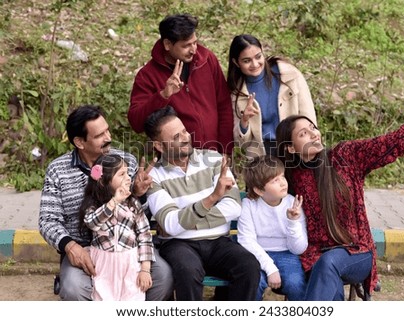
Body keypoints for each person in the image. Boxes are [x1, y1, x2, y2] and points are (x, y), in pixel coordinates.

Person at [275, 88, 404, 300]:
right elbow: (264, 193)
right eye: (303, 134)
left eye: (313, 128)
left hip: (356, 252)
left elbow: (389, 142)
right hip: (315, 256)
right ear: (291, 148)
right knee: (327, 277)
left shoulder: (345, 156)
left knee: (328, 264)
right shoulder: (289, 178)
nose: (313, 134)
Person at [38, 105, 173, 301]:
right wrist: (69, 246)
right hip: (84, 249)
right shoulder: (58, 170)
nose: (108, 137)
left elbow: (141, 216)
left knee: (163, 277)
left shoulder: (126, 161)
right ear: (79, 142)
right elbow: (47, 220)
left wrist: (139, 194)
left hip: (129, 250)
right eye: (100, 135)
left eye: (107, 130)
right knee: (73, 288)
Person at [143, 105, 260, 301]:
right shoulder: (153, 177)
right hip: (179, 245)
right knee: (188, 271)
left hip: (219, 242)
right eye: (176, 137)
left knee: (248, 266)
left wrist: (184, 222)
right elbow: (171, 226)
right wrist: (212, 198)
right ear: (160, 146)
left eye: (184, 131)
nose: (185, 137)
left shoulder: (213, 159)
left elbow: (233, 207)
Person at [128, 13, 233, 155]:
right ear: (167, 44)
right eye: (186, 45)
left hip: (214, 156)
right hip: (177, 163)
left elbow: (224, 105)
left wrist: (226, 151)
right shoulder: (147, 76)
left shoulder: (207, 60)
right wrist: (163, 95)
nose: (193, 50)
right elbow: (136, 123)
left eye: (195, 42)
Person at [227, 34, 317, 159]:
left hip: (295, 145)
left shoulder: (288, 74)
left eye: (258, 57)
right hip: (263, 154)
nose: (255, 64)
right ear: (236, 62)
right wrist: (245, 120)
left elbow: (308, 112)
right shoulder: (237, 93)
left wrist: (310, 143)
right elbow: (240, 141)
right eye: (246, 61)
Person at [79, 154, 153, 301]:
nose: (128, 178)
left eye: (127, 173)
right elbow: (92, 223)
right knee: (103, 299)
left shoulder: (133, 204)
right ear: (103, 181)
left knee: (132, 300)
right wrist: (113, 202)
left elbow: (144, 236)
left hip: (130, 262)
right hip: (103, 264)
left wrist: (145, 269)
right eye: (121, 174)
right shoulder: (94, 205)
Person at [237, 155, 308, 300]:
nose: (283, 183)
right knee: (253, 283)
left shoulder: (293, 204)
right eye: (275, 180)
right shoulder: (249, 205)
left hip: (287, 254)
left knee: (296, 284)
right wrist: (270, 268)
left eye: (282, 177)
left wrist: (293, 221)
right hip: (257, 253)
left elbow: (299, 249)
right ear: (259, 190)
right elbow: (247, 241)